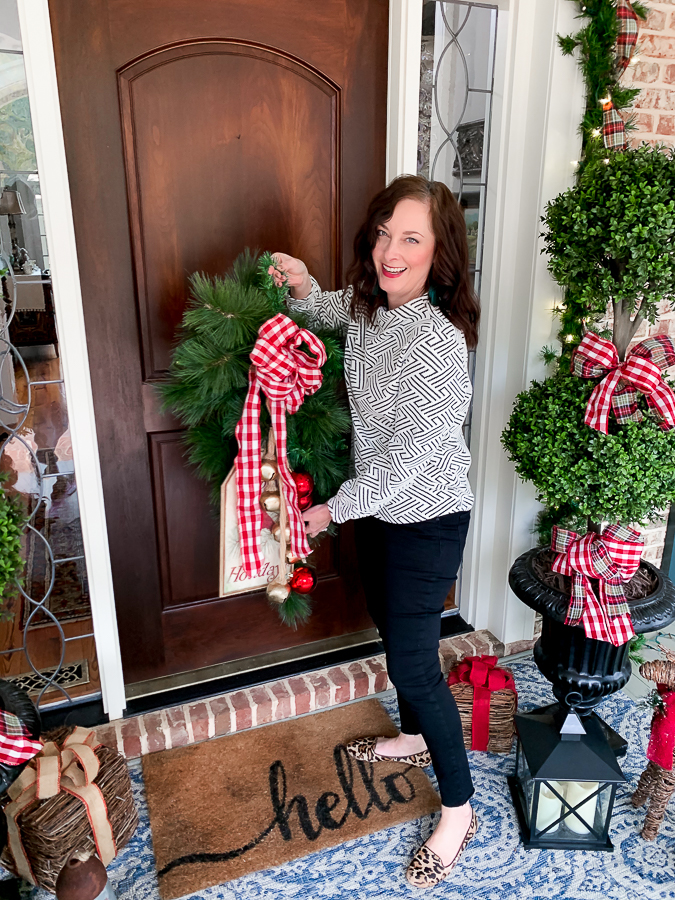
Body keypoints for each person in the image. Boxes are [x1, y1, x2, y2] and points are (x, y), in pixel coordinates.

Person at [273, 174, 480, 889]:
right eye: (384, 232)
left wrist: (332, 509)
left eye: (411, 238)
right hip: (379, 513)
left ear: (438, 254)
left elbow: (402, 465)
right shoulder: (368, 307)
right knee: (393, 636)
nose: (390, 250)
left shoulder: (437, 345)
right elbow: (327, 309)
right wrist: (301, 285)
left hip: (425, 519)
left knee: (415, 664)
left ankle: (457, 811)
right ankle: (418, 737)